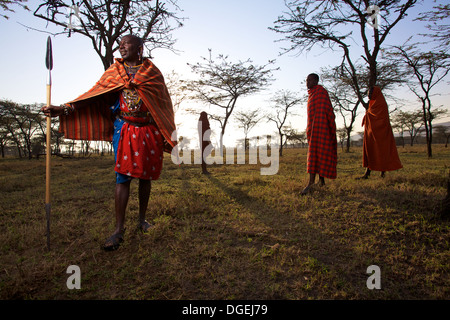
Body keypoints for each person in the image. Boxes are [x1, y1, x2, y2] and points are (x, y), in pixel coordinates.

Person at [42, 34, 176, 251]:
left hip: (149, 130)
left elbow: (163, 104)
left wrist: (166, 130)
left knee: (145, 177)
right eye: (120, 43)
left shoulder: (153, 73)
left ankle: (142, 220)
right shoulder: (115, 72)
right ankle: (118, 229)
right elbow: (94, 95)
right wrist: (64, 109)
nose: (121, 46)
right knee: (122, 177)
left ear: (140, 47)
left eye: (126, 43)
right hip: (125, 129)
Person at [301, 73, 337, 195]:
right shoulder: (311, 95)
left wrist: (329, 125)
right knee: (315, 154)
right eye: (306, 80)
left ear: (316, 81)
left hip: (322, 129)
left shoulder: (321, 93)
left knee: (317, 154)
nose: (307, 82)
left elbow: (327, 110)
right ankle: (321, 181)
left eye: (309, 80)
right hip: (313, 129)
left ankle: (310, 183)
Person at [358, 86, 402, 179]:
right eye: (368, 94)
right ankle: (367, 173)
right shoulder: (372, 103)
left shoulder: (381, 103)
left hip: (381, 134)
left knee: (382, 152)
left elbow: (381, 119)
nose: (368, 95)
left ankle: (382, 173)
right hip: (371, 133)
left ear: (375, 93)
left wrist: (369, 116)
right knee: (370, 151)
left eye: (370, 93)